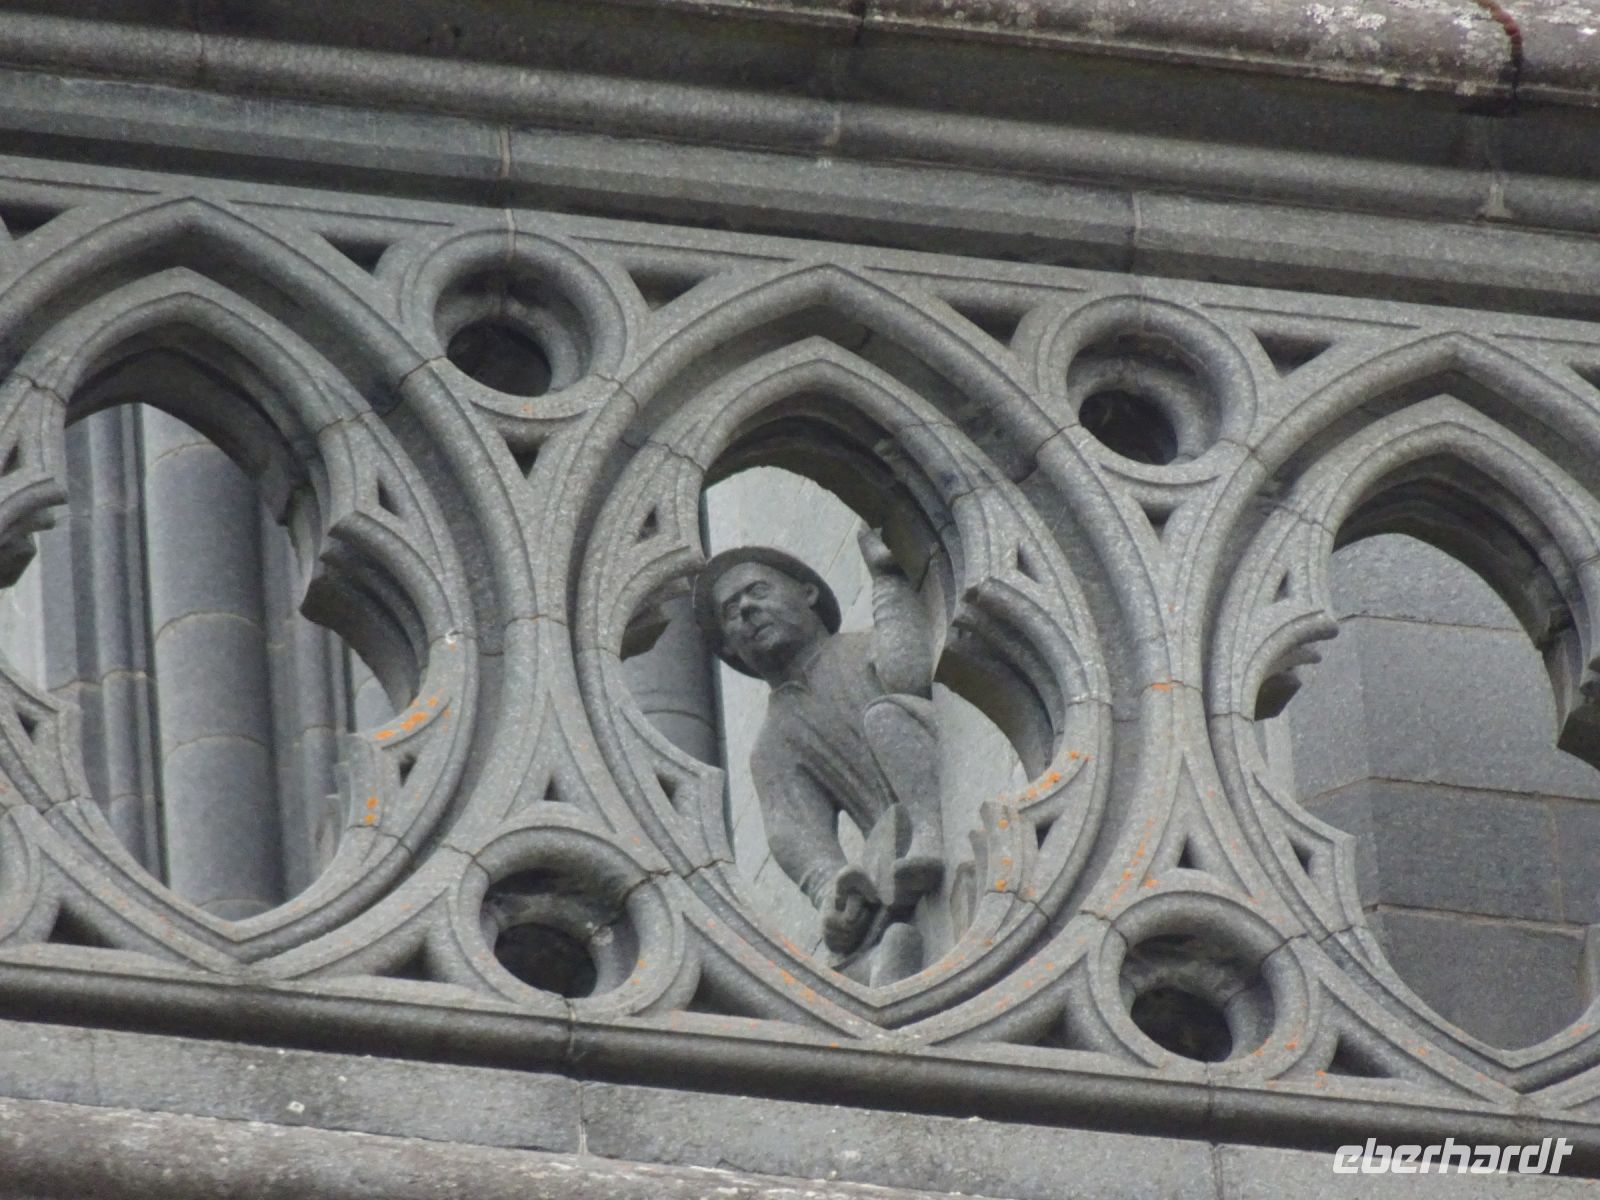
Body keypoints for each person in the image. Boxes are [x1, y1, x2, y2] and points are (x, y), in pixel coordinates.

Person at [693, 528, 943, 957]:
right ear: (730, 650)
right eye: (731, 612)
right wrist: (830, 890)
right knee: (872, 958)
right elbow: (795, 833)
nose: (747, 609)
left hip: (942, 788)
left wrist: (886, 578)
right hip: (892, 852)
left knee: (887, 716)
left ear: (808, 593)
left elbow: (911, 679)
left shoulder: (861, 649)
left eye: (756, 591)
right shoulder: (774, 742)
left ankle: (930, 831)